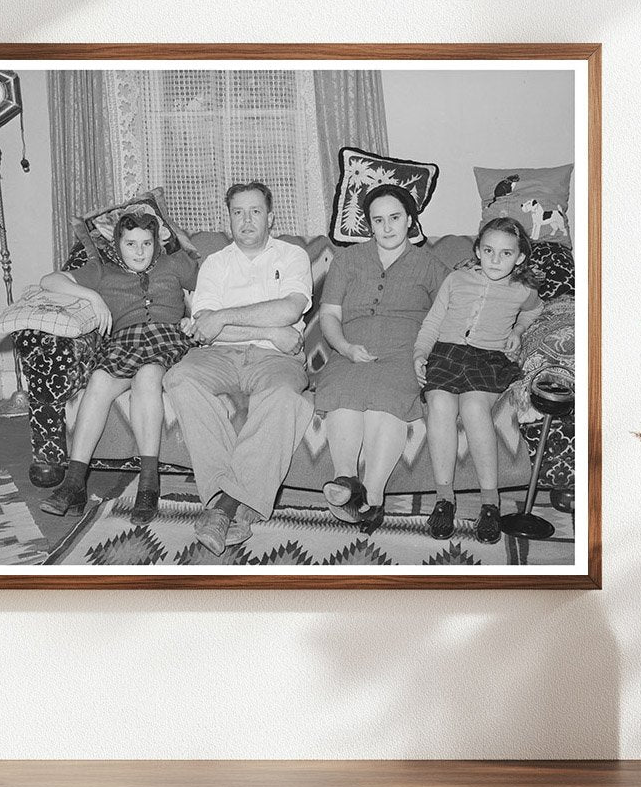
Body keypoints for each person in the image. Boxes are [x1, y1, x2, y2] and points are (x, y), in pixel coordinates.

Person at [163, 181, 314, 555]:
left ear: (270, 216)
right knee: (179, 378)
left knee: (282, 396)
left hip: (276, 359)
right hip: (220, 355)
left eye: (255, 211)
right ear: (228, 219)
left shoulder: (292, 256)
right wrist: (272, 331)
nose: (246, 220)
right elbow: (206, 326)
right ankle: (235, 501)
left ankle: (225, 507)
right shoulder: (215, 263)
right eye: (237, 213)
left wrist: (232, 321)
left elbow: (290, 310)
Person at [37, 211, 198, 525]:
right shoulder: (103, 271)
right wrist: (91, 297)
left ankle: (148, 484)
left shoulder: (173, 263)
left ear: (156, 244)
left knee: (148, 376)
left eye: (146, 243)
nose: (139, 251)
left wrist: (197, 313)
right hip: (123, 342)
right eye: (131, 243)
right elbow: (49, 281)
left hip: (165, 338)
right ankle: (74, 483)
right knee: (97, 379)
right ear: (118, 244)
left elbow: (210, 277)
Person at [315, 184, 452, 534]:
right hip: (350, 351)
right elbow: (329, 314)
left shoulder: (431, 266)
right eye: (378, 220)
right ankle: (345, 481)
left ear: (410, 220)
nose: (387, 227)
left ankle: (372, 498)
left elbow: (451, 318)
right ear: (369, 225)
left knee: (384, 403)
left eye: (394, 218)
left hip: (404, 354)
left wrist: (425, 355)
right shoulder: (348, 260)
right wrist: (345, 348)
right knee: (344, 395)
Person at [413, 216, 543, 544]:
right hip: (446, 354)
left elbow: (534, 311)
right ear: (477, 251)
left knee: (473, 408)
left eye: (505, 253)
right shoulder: (456, 280)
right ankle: (444, 498)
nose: (495, 260)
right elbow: (432, 321)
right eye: (488, 251)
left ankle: (490, 502)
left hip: (489, 359)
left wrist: (517, 331)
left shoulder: (523, 289)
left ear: (520, 257)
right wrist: (420, 354)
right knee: (440, 404)